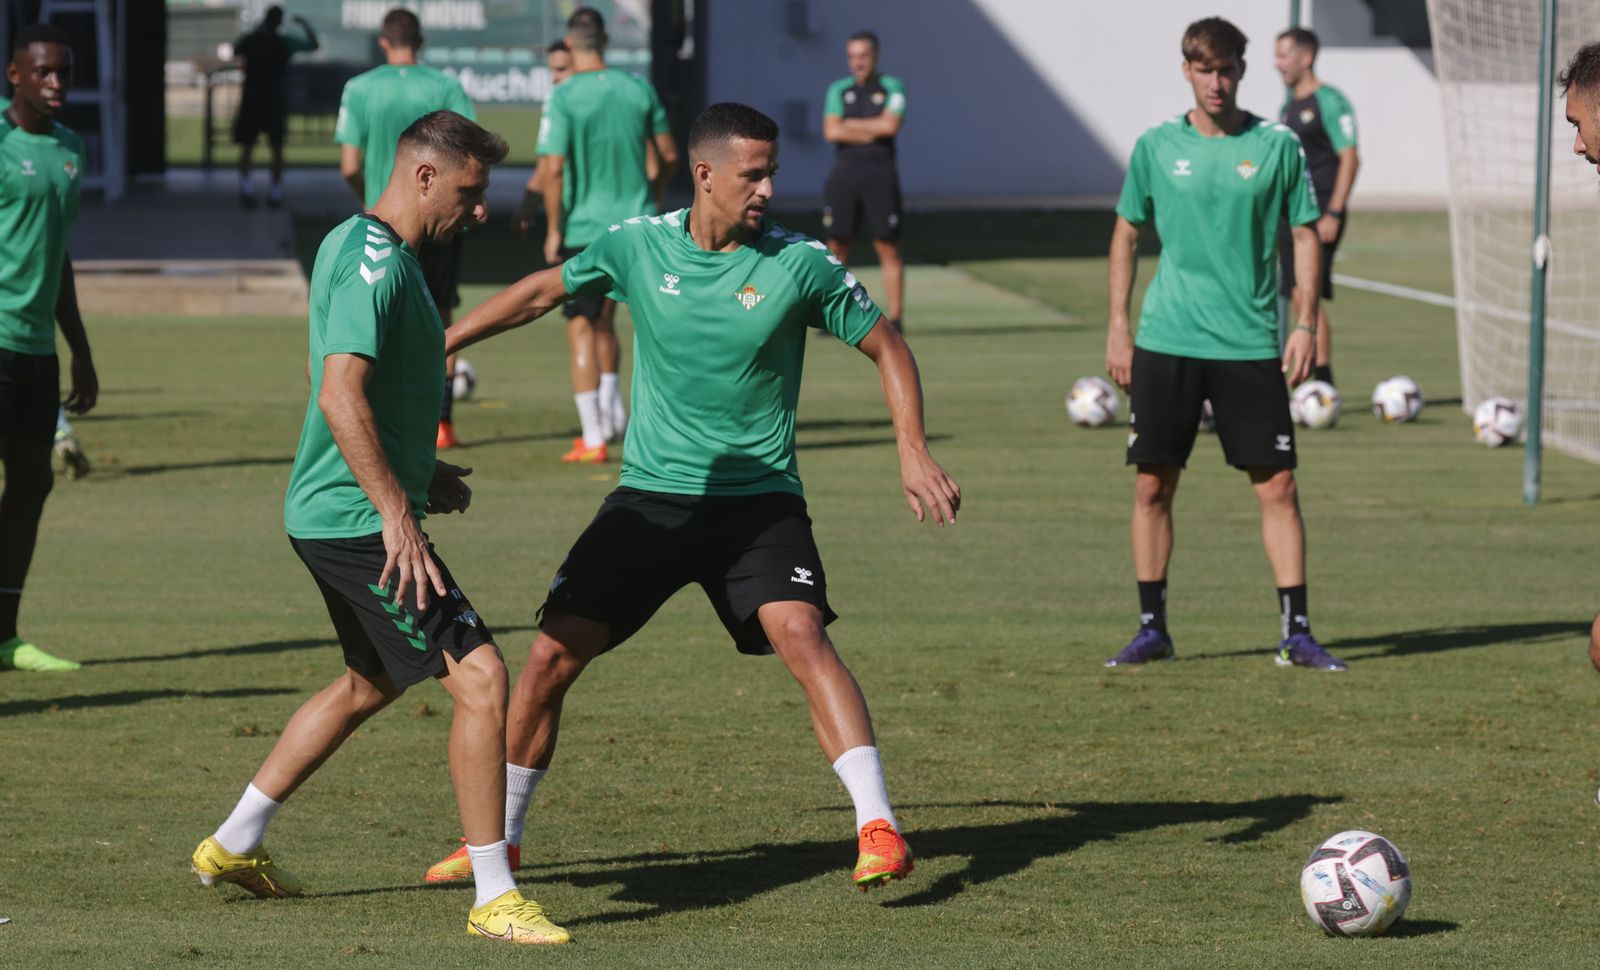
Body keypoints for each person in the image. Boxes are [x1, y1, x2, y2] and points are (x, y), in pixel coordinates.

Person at [421, 102, 959, 890]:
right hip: (651, 504)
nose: (767, 189)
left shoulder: (799, 264)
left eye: (772, 174)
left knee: (802, 635)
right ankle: (498, 845)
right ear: (705, 174)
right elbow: (540, 293)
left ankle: (878, 827)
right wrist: (439, 345)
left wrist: (912, 448)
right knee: (547, 660)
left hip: (758, 504)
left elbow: (888, 346)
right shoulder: (638, 246)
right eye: (753, 175)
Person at [190, 111, 568, 946]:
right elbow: (339, 393)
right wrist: (398, 513)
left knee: (369, 680)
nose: (478, 211)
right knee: (483, 679)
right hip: (356, 520)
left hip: (340, 510)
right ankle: (495, 895)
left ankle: (234, 841)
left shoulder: (375, 251)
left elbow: (369, 390)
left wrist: (420, 474)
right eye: (470, 192)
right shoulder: (375, 262)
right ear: (425, 176)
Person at [1103, 17, 1345, 671]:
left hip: (1248, 342)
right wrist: (1119, 326)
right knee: (1152, 486)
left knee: (1279, 486)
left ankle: (1296, 633)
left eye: (1227, 69)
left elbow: (1304, 234)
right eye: (1205, 70)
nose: (1217, 82)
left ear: (1241, 70)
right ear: (1187, 70)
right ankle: (1152, 628)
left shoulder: (1276, 145)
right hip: (1168, 338)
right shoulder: (1156, 145)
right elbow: (1127, 233)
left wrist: (1304, 323)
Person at [536, 6, 677, 464]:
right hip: (640, 225)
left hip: (585, 229)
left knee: (581, 326)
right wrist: (653, 194)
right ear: (606, 42)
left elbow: (553, 169)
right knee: (630, 325)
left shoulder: (563, 96)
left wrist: (553, 227)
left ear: (569, 44)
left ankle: (594, 435)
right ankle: (623, 414)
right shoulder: (638, 89)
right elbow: (668, 155)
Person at [0, 25, 96, 673]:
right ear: (16, 75)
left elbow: (57, 255)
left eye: (64, 72)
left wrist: (80, 350)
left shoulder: (70, 149)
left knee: (32, 482)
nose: (57, 83)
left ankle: (5, 635)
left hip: (37, 350)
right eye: (44, 72)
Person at [334, 7, 475, 450]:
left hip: (383, 224)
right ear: (421, 41)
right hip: (437, 221)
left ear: (383, 42)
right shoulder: (445, 86)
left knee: (378, 323)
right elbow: (470, 153)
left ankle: (381, 419)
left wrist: (368, 197)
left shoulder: (359, 88)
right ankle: (442, 423)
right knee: (440, 320)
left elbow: (349, 164)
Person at [1274, 27, 1359, 388]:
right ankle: (1317, 379)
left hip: (1320, 212)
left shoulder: (1329, 101)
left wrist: (1334, 212)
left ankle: (1322, 383)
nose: (1277, 63)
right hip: (1290, 215)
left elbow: (1350, 157)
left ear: (1305, 58)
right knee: (1297, 294)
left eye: (1283, 55)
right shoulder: (1288, 107)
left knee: (1307, 294)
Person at [822, 30, 907, 332]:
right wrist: (872, 129)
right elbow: (831, 131)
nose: (858, 62)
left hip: (880, 176)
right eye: (853, 56)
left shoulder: (892, 87)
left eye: (864, 56)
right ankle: (833, 315)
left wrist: (849, 125)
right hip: (844, 176)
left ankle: (895, 318)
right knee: (837, 244)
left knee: (887, 244)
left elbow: (890, 125)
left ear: (876, 56)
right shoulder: (838, 89)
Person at [231, 5, 319, 208]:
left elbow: (237, 49)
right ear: (279, 22)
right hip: (274, 100)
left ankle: (247, 188)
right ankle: (275, 192)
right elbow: (313, 45)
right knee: (277, 148)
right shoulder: (284, 41)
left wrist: (256, 29)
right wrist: (304, 25)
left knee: (247, 147)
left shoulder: (252, 39)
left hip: (252, 99)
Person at [511, 40, 573, 240]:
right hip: (632, 216)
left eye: (561, 69)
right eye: (552, 70)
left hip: (581, 224)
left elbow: (550, 167)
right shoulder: (632, 89)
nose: (554, 78)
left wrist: (552, 228)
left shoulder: (560, 100)